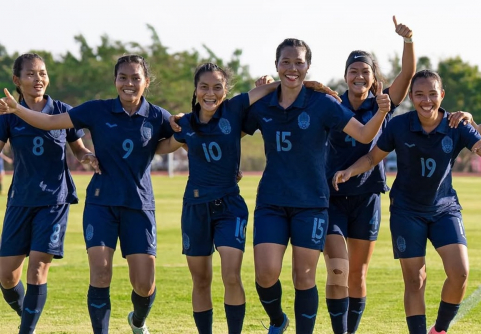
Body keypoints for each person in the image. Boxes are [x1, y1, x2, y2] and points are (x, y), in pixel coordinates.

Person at [0, 54, 174, 334]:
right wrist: (17, 110)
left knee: (143, 284)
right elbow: (47, 123)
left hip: (115, 204)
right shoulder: (95, 110)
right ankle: (36, 321)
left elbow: (183, 137)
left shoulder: (157, 115)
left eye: (135, 78)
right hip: (78, 203)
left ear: (146, 82)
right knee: (94, 274)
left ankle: (138, 321)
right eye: (123, 77)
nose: (129, 83)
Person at [160, 63, 339, 334]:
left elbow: (281, 84)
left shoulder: (233, 110)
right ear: (195, 90)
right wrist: (162, 124)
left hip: (230, 206)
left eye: (217, 87)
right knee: (200, 280)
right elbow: (161, 147)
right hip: (195, 207)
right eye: (204, 87)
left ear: (226, 90)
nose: (211, 93)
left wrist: (310, 85)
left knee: (231, 274)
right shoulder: (185, 124)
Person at [242, 38, 391, 334]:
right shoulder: (263, 105)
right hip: (271, 200)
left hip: (311, 202)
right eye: (286, 62)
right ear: (276, 65)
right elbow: (231, 127)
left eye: (299, 62)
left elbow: (363, 135)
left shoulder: (322, 103)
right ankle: (277, 319)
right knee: (266, 273)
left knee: (304, 276)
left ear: (308, 66)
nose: (292, 68)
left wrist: (382, 113)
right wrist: (266, 88)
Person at [332, 70, 481, 334]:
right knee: (415, 279)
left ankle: (439, 329)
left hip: (444, 209)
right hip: (407, 212)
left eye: (432, 94)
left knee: (460, 273)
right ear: (411, 96)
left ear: (441, 95)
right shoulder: (399, 125)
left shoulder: (457, 125)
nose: (426, 100)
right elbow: (372, 158)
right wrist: (349, 171)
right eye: (419, 94)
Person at [323, 16, 415, 334]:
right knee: (337, 269)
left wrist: (407, 40)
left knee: (357, 275)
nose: (359, 76)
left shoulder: (383, 103)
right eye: (353, 71)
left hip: (366, 197)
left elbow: (407, 75)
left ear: (373, 76)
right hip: (332, 197)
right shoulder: (332, 105)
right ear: (346, 76)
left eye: (365, 71)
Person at [0, 53, 99, 334]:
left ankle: (27, 330)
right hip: (19, 200)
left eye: (42, 73)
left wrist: (88, 157)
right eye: (31, 74)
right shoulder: (9, 115)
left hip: (54, 201)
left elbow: (78, 149)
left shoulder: (62, 110)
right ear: (17, 81)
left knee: (38, 268)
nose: (38, 79)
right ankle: (27, 316)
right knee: (6, 276)